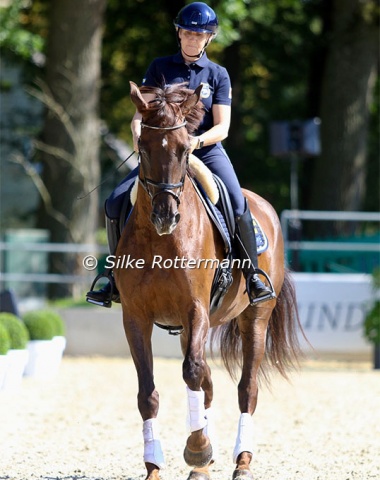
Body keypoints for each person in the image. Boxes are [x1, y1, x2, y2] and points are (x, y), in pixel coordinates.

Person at [86, 2, 275, 308]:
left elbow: (223, 127)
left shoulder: (218, 74)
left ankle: (252, 275)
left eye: (198, 34)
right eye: (187, 32)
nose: (191, 38)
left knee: (238, 203)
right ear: (179, 33)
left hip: (205, 149)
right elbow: (141, 112)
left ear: (208, 38)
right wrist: (137, 132)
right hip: (163, 154)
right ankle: (112, 276)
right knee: (115, 201)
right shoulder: (160, 67)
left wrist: (196, 142)